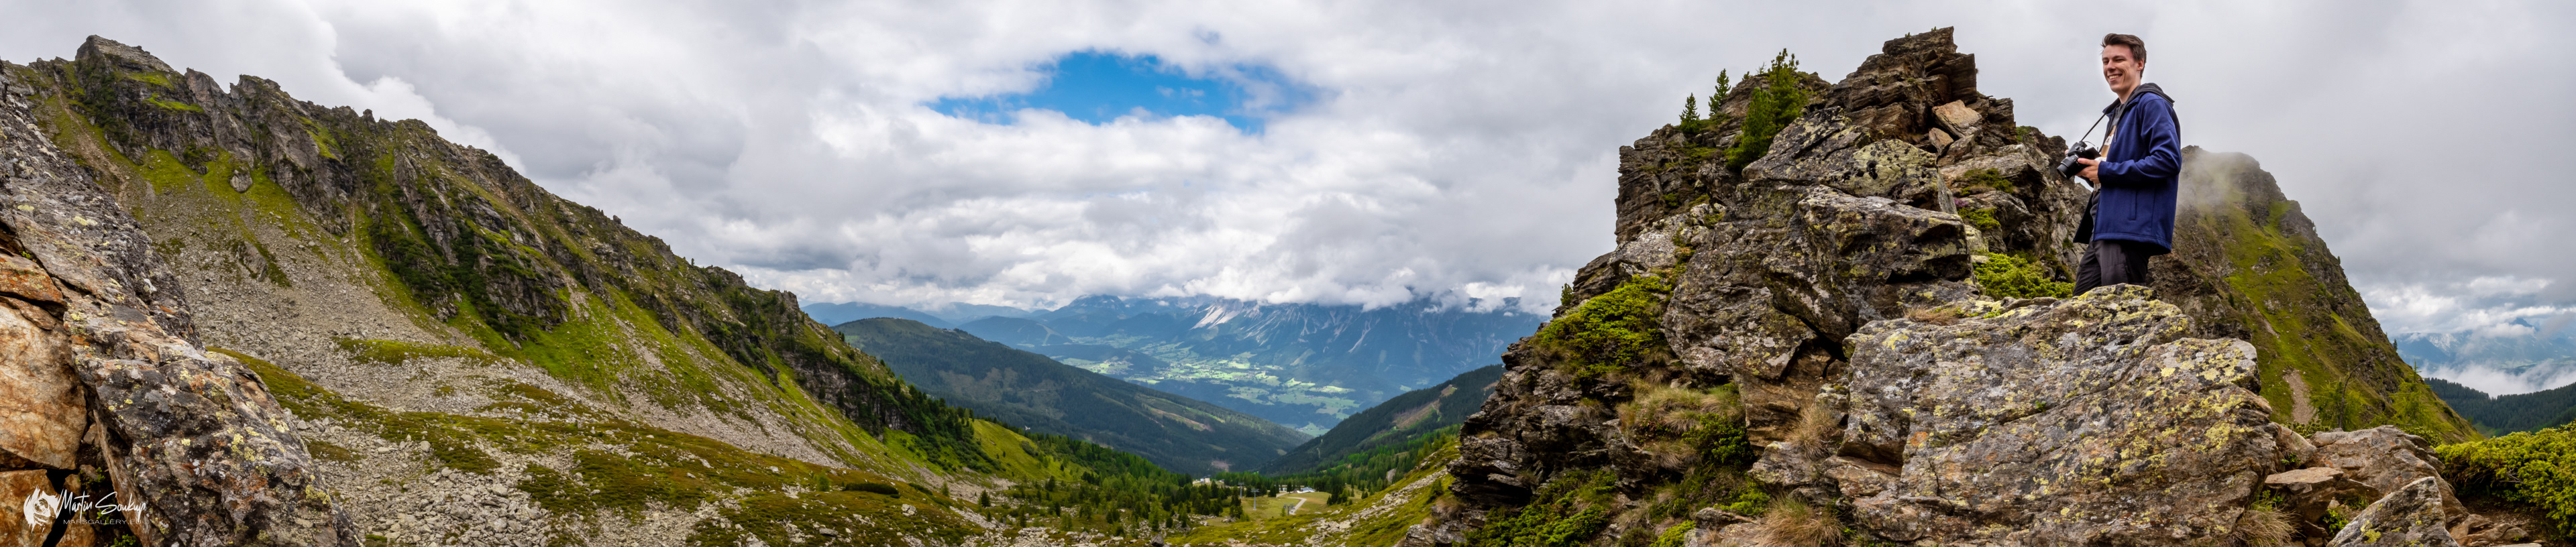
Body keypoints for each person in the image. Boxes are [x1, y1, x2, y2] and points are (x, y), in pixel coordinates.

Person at [2072, 33, 2181, 296]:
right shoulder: (2117, 114)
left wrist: (2105, 170)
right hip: (2103, 228)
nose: (2110, 67)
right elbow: (2113, 172)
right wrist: (2090, 170)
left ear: (2139, 64)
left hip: (2127, 230)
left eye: (2119, 60)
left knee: (2120, 306)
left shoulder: (2151, 104)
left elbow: (2168, 160)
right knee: (2081, 307)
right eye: (2106, 61)